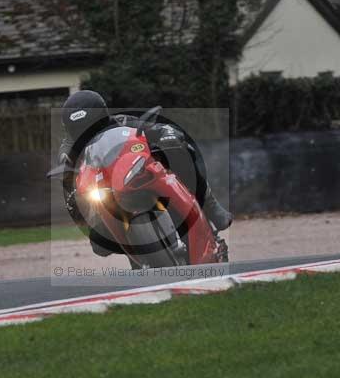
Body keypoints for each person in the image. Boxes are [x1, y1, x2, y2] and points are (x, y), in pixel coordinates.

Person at [57, 90, 233, 256]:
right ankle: (98, 233)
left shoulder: (122, 121)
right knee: (75, 194)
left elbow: (159, 128)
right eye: (82, 130)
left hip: (138, 173)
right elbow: (64, 164)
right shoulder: (69, 147)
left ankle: (210, 205)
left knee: (179, 150)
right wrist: (69, 177)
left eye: (92, 126)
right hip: (108, 191)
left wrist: (168, 134)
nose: (88, 132)